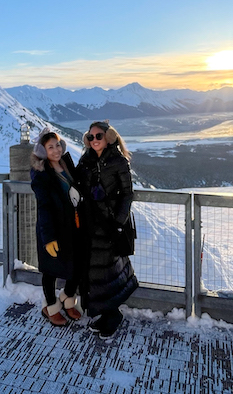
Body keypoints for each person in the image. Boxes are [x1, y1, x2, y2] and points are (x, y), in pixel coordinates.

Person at [76, 120, 138, 339]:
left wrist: (118, 222)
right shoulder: (86, 160)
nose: (94, 140)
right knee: (95, 273)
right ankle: (105, 313)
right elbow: (77, 185)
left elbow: (127, 194)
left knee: (110, 271)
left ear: (108, 137)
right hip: (91, 225)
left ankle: (113, 315)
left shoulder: (118, 161)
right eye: (90, 137)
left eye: (98, 136)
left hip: (110, 227)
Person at [30, 127, 86, 326]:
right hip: (53, 228)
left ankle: (68, 298)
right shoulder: (41, 173)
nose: (55, 150)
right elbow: (44, 207)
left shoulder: (66, 163)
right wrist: (49, 238)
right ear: (43, 151)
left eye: (57, 145)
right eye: (50, 147)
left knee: (77, 265)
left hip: (74, 226)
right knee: (50, 269)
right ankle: (51, 306)